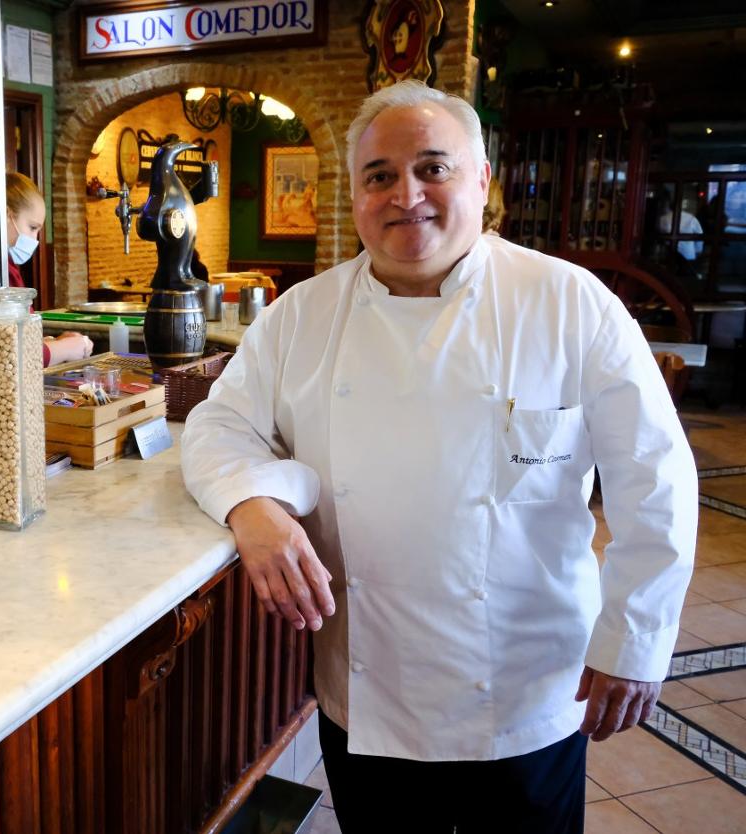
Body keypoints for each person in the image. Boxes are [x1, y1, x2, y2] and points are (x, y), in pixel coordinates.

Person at [181, 80, 697, 833]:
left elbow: (655, 481)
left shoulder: (569, 303)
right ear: (355, 194)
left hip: (525, 693)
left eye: (432, 169)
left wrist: (637, 639)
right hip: (369, 696)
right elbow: (217, 425)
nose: (406, 196)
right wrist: (251, 504)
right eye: (379, 176)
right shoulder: (301, 316)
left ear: (482, 180)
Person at [6, 171, 94, 366]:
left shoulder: (8, 266)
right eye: (32, 227)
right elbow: (13, 354)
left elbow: (22, 340)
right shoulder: (0, 272)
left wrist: (54, 343)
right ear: (6, 215)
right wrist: (64, 349)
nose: (35, 239)